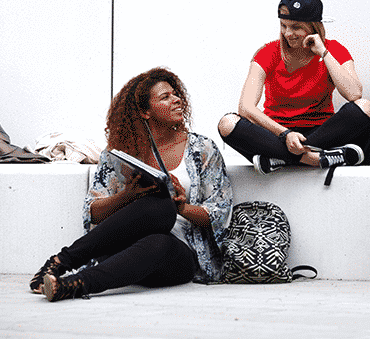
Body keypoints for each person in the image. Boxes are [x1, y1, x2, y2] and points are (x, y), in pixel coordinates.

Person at [31, 67, 232, 301]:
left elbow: (219, 213)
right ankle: (58, 264)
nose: (177, 99)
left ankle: (73, 284)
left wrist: (182, 208)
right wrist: (128, 195)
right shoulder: (120, 154)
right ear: (145, 112)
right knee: (155, 206)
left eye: (176, 94)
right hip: (127, 250)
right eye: (165, 97)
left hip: (178, 254)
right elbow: (92, 212)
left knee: (163, 218)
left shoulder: (202, 150)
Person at [218, 0, 370, 175]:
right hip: (275, 134)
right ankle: (315, 159)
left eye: (295, 27)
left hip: (320, 134)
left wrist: (323, 53)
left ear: (314, 26)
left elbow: (354, 94)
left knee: (366, 107)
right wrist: (285, 134)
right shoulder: (268, 52)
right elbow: (246, 108)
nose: (287, 33)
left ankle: (280, 159)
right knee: (227, 123)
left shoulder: (334, 50)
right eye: (284, 25)